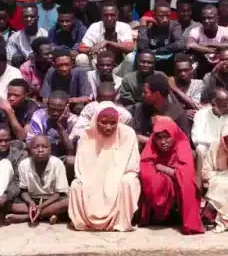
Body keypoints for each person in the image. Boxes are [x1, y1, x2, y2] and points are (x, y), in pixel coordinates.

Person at [68, 102, 142, 232]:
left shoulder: (128, 134)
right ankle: (85, 221)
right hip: (92, 178)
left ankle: (119, 221)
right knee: (76, 185)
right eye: (103, 122)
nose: (108, 127)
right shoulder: (86, 135)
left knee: (128, 181)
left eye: (113, 123)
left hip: (119, 176)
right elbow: (81, 168)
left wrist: (114, 178)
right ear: (96, 120)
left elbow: (132, 166)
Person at [137, 116, 204, 234]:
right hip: (156, 194)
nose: (163, 142)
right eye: (159, 138)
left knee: (187, 185)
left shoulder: (182, 145)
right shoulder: (151, 147)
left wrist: (162, 168)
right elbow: (146, 168)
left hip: (176, 192)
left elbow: (185, 174)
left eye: (167, 137)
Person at [5, 134, 69, 225]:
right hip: (32, 200)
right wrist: (30, 202)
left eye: (45, 147)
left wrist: (42, 206)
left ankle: (26, 217)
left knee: (69, 202)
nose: (40, 150)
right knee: (7, 205)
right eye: (36, 147)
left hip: (52, 200)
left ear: (50, 149)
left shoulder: (57, 164)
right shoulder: (24, 164)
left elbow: (58, 193)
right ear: (30, 150)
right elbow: (23, 191)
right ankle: (49, 214)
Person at [131, 73, 193, 147]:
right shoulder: (141, 108)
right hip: (148, 149)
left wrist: (167, 122)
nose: (142, 95)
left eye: (146, 92)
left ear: (157, 94)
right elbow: (135, 135)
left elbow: (184, 142)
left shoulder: (178, 113)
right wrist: (157, 141)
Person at [191, 88, 228, 161]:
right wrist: (220, 143)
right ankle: (203, 172)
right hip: (210, 150)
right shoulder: (201, 114)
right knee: (201, 148)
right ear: (213, 104)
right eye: (224, 105)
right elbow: (196, 138)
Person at [185, 5, 228, 78]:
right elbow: (190, 44)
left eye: (210, 18)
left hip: (221, 64)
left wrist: (209, 43)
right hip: (202, 65)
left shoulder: (225, 31)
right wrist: (212, 51)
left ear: (217, 18)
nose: (206, 21)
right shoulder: (196, 30)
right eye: (203, 18)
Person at [79, 3, 135, 69]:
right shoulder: (95, 26)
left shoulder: (124, 26)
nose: (109, 18)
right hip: (98, 67)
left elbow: (130, 47)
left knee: (131, 57)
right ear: (101, 16)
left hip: (119, 68)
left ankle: (125, 79)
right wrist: (96, 48)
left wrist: (108, 43)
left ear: (117, 15)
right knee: (81, 58)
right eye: (106, 15)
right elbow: (82, 48)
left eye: (112, 15)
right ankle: (86, 79)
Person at [27, 91, 77, 161]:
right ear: (47, 105)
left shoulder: (73, 120)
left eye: (60, 110)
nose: (55, 113)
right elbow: (30, 143)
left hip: (63, 156)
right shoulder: (39, 116)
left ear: (67, 107)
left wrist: (60, 126)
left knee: (71, 160)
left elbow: (71, 149)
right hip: (42, 155)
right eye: (52, 109)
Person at [138, 2, 185, 75]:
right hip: (150, 59)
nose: (165, 19)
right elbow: (142, 47)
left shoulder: (174, 25)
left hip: (167, 57)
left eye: (168, 16)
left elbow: (181, 44)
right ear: (154, 15)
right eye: (161, 16)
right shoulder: (148, 25)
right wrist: (143, 25)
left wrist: (158, 50)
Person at [6, 3, 48, 68]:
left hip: (41, 68)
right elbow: (9, 59)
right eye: (26, 16)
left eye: (32, 16)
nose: (29, 19)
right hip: (21, 70)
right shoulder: (14, 37)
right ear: (22, 18)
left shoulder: (45, 35)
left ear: (37, 18)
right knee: (17, 57)